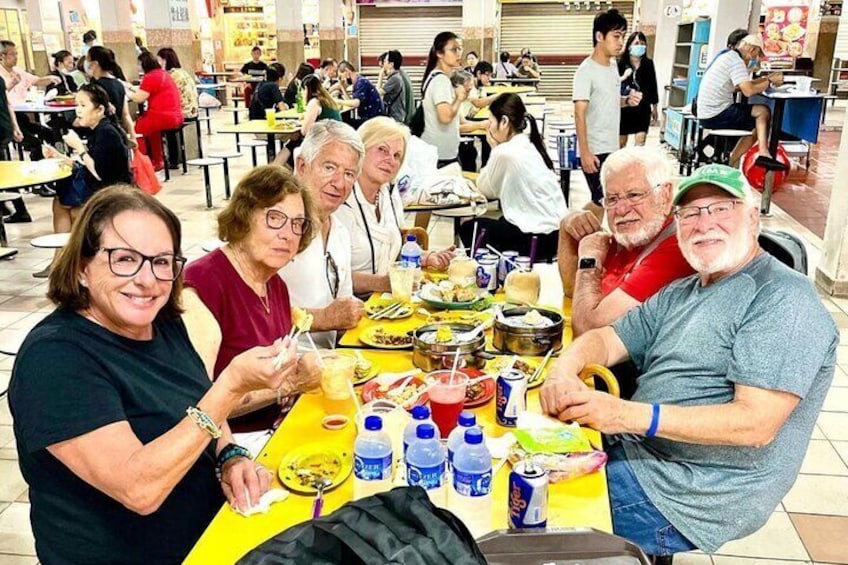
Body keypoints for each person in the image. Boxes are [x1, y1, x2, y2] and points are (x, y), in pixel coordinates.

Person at [540, 163, 838, 559]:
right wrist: (562, 370)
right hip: (641, 451)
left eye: (721, 208)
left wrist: (623, 415)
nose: (703, 223)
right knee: (517, 457)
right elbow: (602, 338)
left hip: (691, 494)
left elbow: (755, 424)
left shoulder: (784, 299)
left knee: (527, 512)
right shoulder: (683, 291)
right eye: (691, 213)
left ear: (753, 217)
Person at [9, 186, 293, 563]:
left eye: (162, 261)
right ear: (81, 268)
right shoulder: (55, 359)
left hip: (212, 538)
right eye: (125, 259)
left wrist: (231, 455)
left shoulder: (164, 322)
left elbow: (198, 401)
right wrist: (231, 387)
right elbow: (139, 489)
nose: (147, 280)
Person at [182, 166, 321, 449]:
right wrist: (289, 384)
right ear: (243, 217)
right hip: (229, 451)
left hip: (279, 430)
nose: (288, 234)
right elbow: (194, 405)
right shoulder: (202, 286)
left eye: (298, 223)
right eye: (275, 218)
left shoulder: (275, 284)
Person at [557, 146, 694, 338]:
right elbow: (574, 291)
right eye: (612, 199)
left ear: (665, 195)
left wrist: (589, 260)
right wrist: (566, 229)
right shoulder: (633, 236)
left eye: (634, 195)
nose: (621, 209)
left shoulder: (676, 250)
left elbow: (588, 330)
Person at [336, 117, 455, 295]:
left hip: (385, 299)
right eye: (382, 150)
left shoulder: (388, 194)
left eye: (397, 155)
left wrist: (426, 257)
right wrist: (382, 283)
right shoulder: (339, 200)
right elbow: (332, 276)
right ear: (360, 150)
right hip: (351, 307)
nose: (390, 160)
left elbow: (391, 250)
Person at [279, 120, 365, 348]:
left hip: (331, 362)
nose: (339, 183)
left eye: (349, 174)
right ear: (302, 166)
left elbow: (343, 311)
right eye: (329, 167)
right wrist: (323, 318)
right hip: (280, 370)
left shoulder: (340, 233)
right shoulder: (275, 227)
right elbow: (246, 311)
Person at [38, 84, 133, 278]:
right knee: (60, 202)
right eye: (77, 104)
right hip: (102, 189)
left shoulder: (106, 132)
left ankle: (67, 263)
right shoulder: (99, 130)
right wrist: (59, 156)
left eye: (83, 105)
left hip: (113, 194)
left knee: (72, 210)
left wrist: (78, 148)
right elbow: (88, 164)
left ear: (99, 110)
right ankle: (60, 261)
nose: (77, 110)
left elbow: (99, 173)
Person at [458, 93, 567, 261]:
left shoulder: (505, 152)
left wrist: (494, 148)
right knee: (501, 220)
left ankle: (491, 278)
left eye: (491, 121)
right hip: (557, 234)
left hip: (535, 237)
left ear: (504, 122)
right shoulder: (529, 144)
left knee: (468, 229)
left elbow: (485, 190)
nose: (489, 127)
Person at [573, 9, 641, 207]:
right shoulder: (585, 71)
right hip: (594, 150)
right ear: (599, 36)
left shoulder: (612, 66)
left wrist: (626, 101)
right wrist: (585, 152)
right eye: (616, 36)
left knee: (608, 202)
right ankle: (581, 235)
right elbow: (579, 113)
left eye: (623, 37)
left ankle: (598, 236)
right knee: (602, 202)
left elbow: (608, 100)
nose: (621, 42)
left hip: (611, 147)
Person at [696, 34, 786, 170]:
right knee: (763, 113)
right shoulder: (736, 61)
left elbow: (740, 86)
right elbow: (748, 91)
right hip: (716, 113)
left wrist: (766, 79)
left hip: (707, 111)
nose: (755, 58)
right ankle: (750, 157)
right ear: (752, 49)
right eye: (756, 54)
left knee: (759, 119)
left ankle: (736, 161)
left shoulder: (728, 56)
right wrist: (769, 81)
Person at [0, 40, 62, 161]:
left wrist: (50, 78)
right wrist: (12, 84)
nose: (16, 57)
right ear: (2, 56)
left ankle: (57, 160)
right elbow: (4, 98)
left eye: (16, 54)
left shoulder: (18, 71)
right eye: (12, 54)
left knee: (49, 133)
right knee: (34, 143)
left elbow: (36, 81)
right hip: (6, 117)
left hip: (21, 115)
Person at [127, 50, 184, 171]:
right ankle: (158, 159)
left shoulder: (150, 77)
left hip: (162, 116)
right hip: (175, 114)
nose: (137, 67)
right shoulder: (163, 74)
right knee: (149, 127)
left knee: (138, 128)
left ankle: (147, 161)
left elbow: (139, 98)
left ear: (144, 64)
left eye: (138, 64)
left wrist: (125, 91)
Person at [271, 74, 342, 167]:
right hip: (335, 136)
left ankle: (273, 169)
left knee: (292, 143)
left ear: (306, 89)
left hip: (323, 140)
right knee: (294, 140)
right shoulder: (327, 100)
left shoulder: (314, 102)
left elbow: (305, 131)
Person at [421, 31, 467, 167]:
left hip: (438, 153)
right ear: (439, 53)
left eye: (460, 49)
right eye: (454, 49)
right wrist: (459, 98)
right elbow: (445, 117)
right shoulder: (441, 81)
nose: (459, 54)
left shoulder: (434, 76)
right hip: (442, 156)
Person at [86, 46, 138, 148]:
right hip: (118, 134)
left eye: (88, 60)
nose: (86, 64)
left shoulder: (95, 87)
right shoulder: (118, 84)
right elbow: (126, 115)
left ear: (95, 64)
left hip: (101, 135)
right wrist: (133, 137)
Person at [618, 32, 659, 147]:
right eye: (636, 43)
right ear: (629, 45)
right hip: (625, 107)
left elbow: (653, 85)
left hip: (643, 107)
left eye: (642, 43)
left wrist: (654, 107)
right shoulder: (620, 63)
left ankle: (636, 164)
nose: (640, 46)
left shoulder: (648, 64)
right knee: (621, 142)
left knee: (640, 142)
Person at [0, 73, 26, 220]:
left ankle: (20, 209)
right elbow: (8, 103)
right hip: (5, 126)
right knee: (3, 170)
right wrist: (15, 126)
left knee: (3, 172)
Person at [157, 48, 199, 120]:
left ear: (164, 61)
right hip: (193, 111)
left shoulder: (170, 75)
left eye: (158, 60)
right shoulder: (182, 72)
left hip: (183, 113)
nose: (157, 64)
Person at [380, 50, 414, 125]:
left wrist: (380, 76)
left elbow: (377, 93)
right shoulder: (398, 75)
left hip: (396, 117)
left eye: (385, 61)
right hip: (399, 116)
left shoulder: (395, 78)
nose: (383, 66)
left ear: (391, 64)